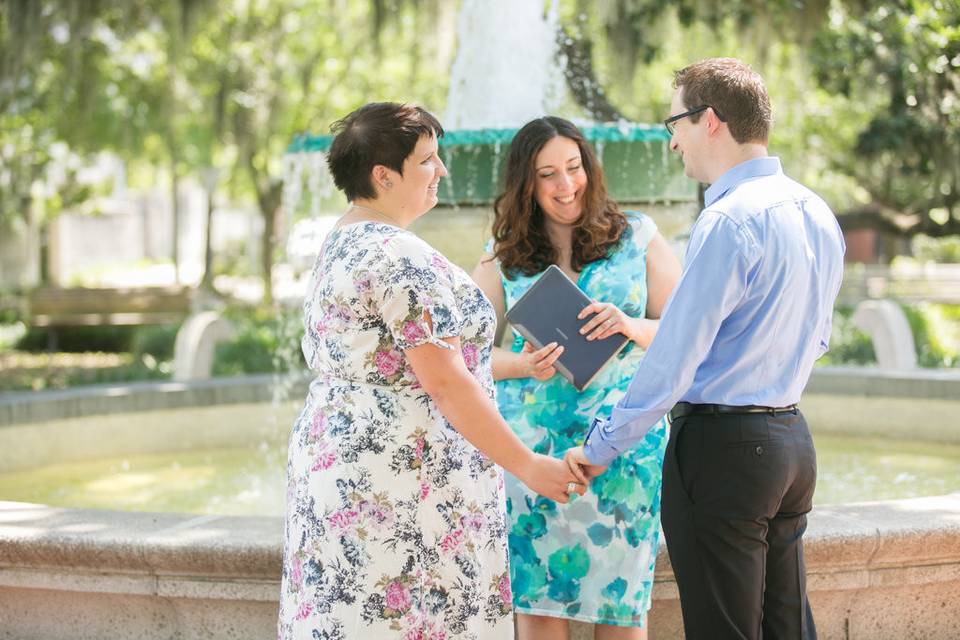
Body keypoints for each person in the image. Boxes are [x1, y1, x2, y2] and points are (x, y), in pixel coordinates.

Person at [277, 102, 586, 640]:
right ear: (383, 175)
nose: (441, 170)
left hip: (348, 469)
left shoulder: (342, 241)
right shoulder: (399, 256)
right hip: (405, 487)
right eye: (427, 161)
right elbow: (443, 382)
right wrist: (528, 465)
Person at [564, 58, 846, 640]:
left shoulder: (727, 220)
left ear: (709, 120)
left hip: (723, 449)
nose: (671, 141)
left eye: (675, 123)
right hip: (793, 442)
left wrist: (602, 445)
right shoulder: (816, 211)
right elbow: (817, 339)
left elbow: (673, 362)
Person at [472, 116, 682, 640]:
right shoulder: (502, 257)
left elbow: (688, 332)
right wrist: (521, 362)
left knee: (619, 610)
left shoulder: (638, 236)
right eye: (548, 175)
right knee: (539, 610)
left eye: (574, 167)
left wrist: (631, 325)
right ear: (526, 184)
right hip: (533, 456)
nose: (566, 186)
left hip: (621, 447)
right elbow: (461, 358)